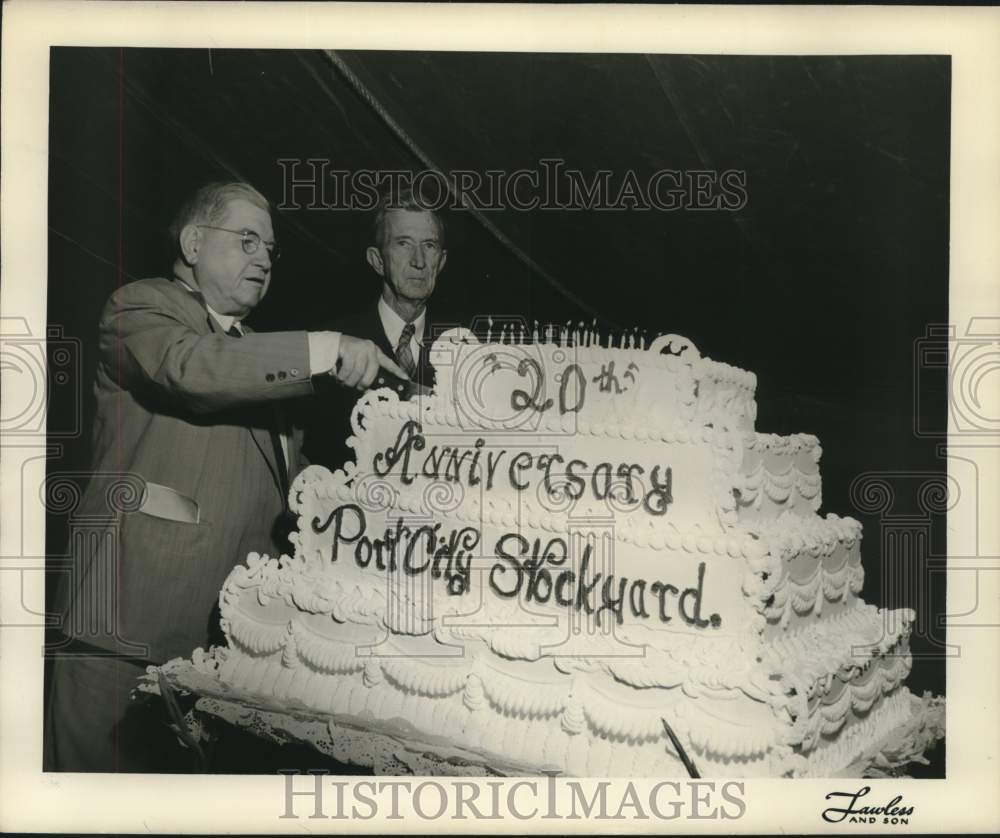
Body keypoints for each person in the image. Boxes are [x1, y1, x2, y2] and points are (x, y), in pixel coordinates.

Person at [44, 181, 407, 772]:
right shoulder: (141, 309)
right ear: (193, 242)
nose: (264, 257)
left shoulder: (258, 354)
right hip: (124, 632)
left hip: (216, 650)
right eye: (246, 240)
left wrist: (366, 501)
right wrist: (326, 348)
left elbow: (288, 477)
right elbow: (190, 368)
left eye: (270, 248)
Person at [302, 190, 448, 470]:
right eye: (403, 243)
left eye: (429, 245)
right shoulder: (330, 343)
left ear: (440, 262)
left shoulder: (468, 353)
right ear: (377, 260)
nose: (418, 260)